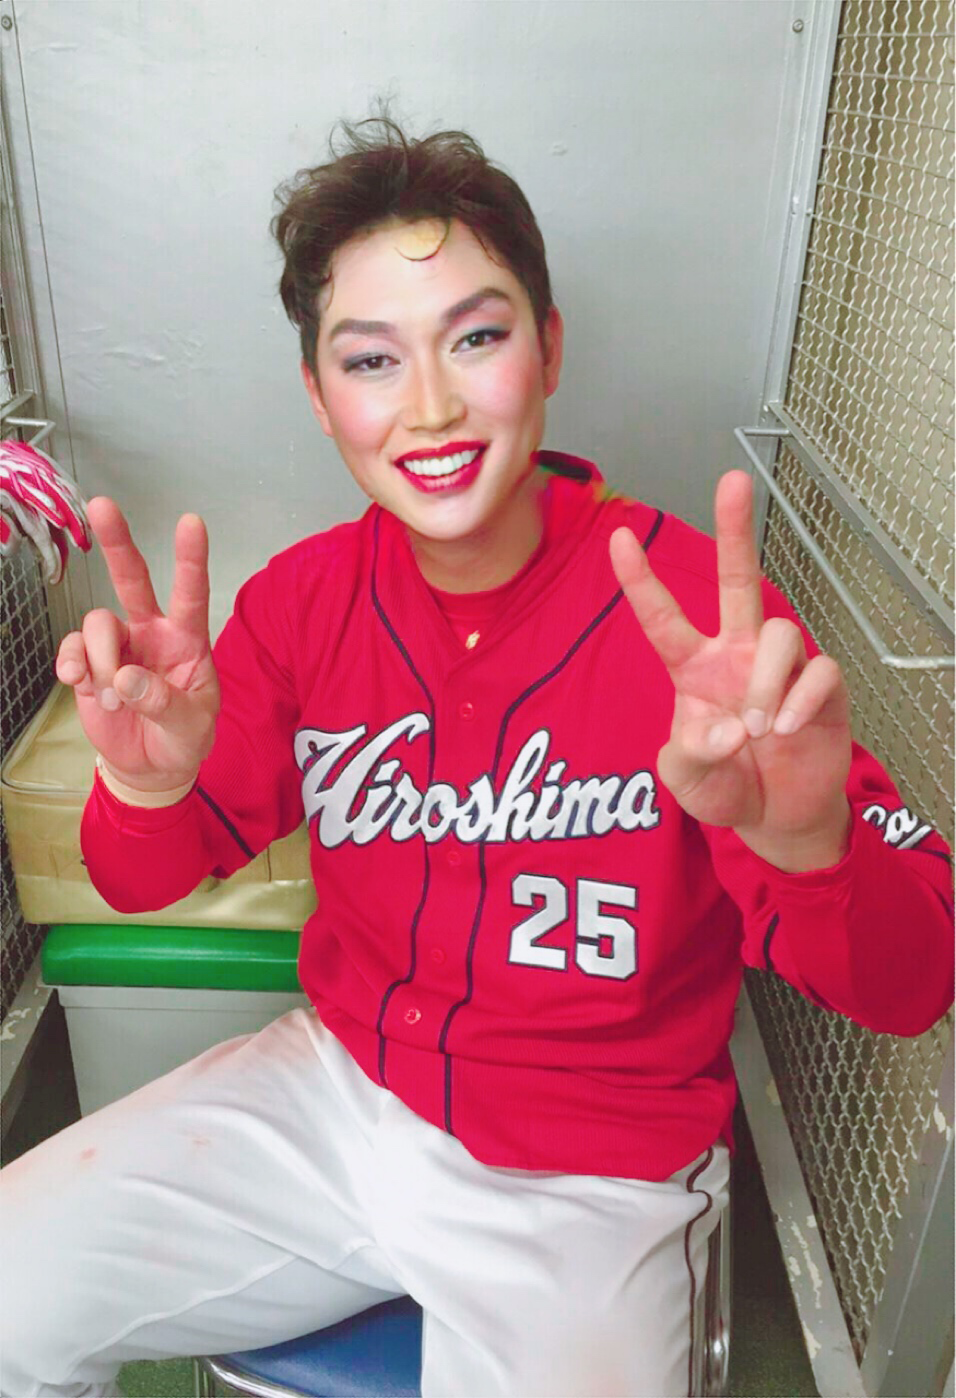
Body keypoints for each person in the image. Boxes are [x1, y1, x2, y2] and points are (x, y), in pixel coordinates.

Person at [2, 114, 951, 1398]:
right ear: (319, 396)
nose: (431, 406)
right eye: (370, 359)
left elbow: (909, 985)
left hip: (594, 1175)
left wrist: (806, 843)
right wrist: (146, 783)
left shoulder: (700, 626)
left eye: (476, 338)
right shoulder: (302, 603)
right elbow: (139, 876)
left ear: (548, 348)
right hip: (339, 1095)